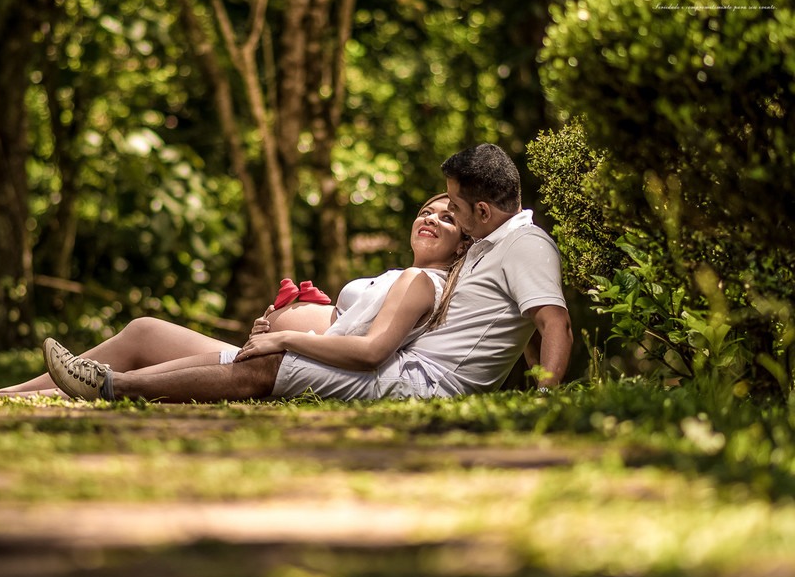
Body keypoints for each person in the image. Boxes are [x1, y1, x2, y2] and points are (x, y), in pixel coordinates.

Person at [44, 143, 571, 402]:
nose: (442, 213)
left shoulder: (524, 245)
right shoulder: (490, 245)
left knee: (270, 368)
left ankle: (113, 386)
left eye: (452, 206)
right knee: (227, 354)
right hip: (406, 370)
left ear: (481, 213)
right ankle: (101, 383)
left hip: (420, 381)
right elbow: (515, 325)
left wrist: (546, 400)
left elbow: (552, 324)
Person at [0, 193, 466, 400]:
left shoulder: (426, 283)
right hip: (279, 350)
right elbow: (342, 323)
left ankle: (0, 396)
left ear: (463, 240)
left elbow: (369, 349)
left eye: (446, 217)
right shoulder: (396, 276)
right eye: (425, 210)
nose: (430, 218)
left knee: (140, 346)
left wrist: (287, 334)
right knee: (145, 330)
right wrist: (281, 320)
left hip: (291, 365)